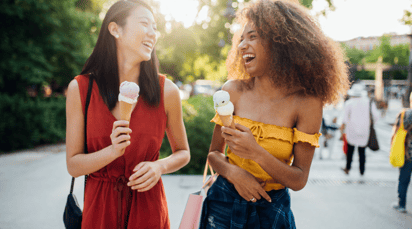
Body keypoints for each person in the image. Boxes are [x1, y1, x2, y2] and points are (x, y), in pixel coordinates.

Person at [199, 0, 349, 228]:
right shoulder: (232, 91)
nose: (242, 46)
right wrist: (235, 173)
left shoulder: (307, 103)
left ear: (281, 43)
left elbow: (299, 179)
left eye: (253, 37)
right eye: (242, 38)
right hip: (223, 203)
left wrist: (256, 152)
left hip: (270, 210)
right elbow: (213, 155)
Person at [65, 1, 190, 228]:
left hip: (148, 209)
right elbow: (74, 165)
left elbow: (183, 152)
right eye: (145, 24)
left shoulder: (167, 91)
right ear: (115, 30)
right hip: (99, 213)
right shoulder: (80, 89)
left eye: (155, 27)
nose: (153, 33)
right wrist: (112, 151)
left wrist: (159, 166)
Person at [340, 83, 379, 176]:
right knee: (362, 151)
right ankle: (362, 170)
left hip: (351, 130)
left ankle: (348, 168)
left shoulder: (349, 103)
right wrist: (370, 123)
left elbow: (344, 119)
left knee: (350, 150)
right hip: (365, 130)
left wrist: (341, 130)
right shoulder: (369, 102)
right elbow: (376, 116)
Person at [391, 92, 412, 213]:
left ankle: (402, 204)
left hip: (406, 153)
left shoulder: (405, 114)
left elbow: (396, 131)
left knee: (403, 180)